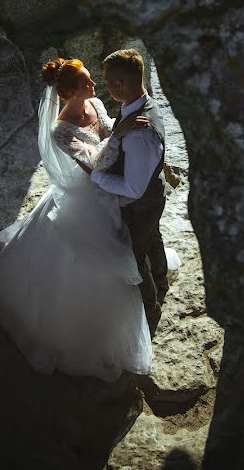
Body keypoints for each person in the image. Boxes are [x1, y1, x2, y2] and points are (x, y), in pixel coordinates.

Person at [0, 57, 153, 382]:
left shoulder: (92, 101)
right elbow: (93, 166)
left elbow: (106, 131)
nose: (94, 87)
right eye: (86, 83)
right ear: (68, 94)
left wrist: (118, 132)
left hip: (111, 187)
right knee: (95, 264)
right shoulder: (60, 130)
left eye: (91, 80)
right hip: (88, 198)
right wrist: (119, 134)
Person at [85, 49, 171, 334]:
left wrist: (98, 177)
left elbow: (133, 188)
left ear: (120, 85)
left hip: (140, 204)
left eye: (108, 82)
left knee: (133, 258)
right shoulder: (142, 105)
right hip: (152, 197)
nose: (105, 86)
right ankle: (162, 280)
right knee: (153, 237)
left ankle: (151, 310)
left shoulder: (138, 135)